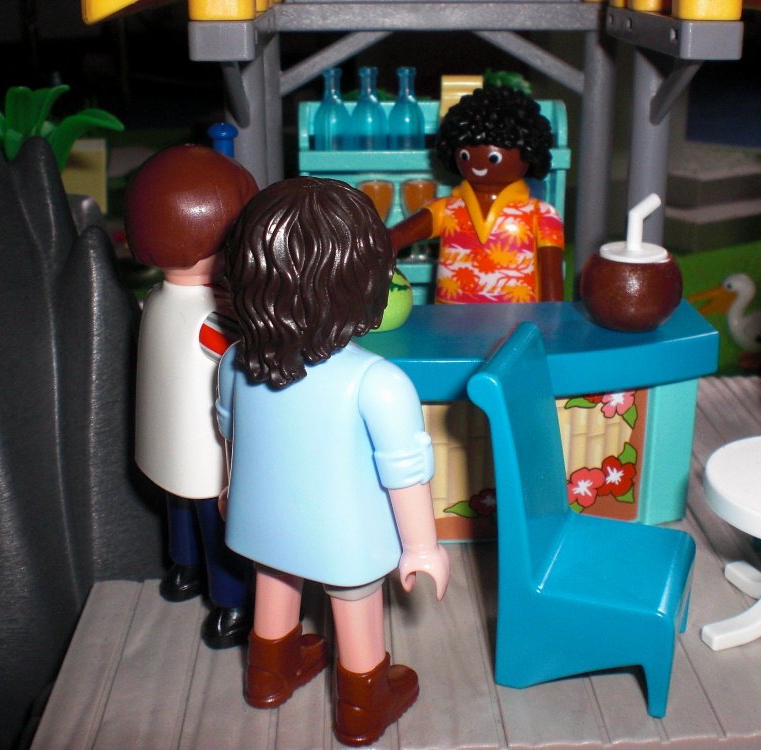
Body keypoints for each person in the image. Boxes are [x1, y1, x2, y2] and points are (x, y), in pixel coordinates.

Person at [216, 176, 450, 747]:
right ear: (365, 282)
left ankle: (268, 674)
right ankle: (364, 703)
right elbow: (406, 473)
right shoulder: (379, 382)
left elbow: (230, 435)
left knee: (275, 576)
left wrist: (230, 490)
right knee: (353, 601)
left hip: (262, 520)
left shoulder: (235, 360)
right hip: (344, 536)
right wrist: (422, 547)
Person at [125, 144, 258, 649]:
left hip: (162, 443)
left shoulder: (155, 299)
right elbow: (248, 356)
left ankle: (183, 571)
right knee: (218, 526)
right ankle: (232, 604)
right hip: (205, 452)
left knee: (178, 510)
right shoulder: (211, 318)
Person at [388, 85, 565, 303]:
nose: (478, 165)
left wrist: (552, 314)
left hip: (517, 315)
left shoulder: (542, 214)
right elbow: (395, 238)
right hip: (450, 315)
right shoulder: (446, 210)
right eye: (464, 155)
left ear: (530, 152)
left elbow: (551, 278)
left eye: (493, 158)